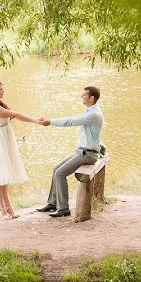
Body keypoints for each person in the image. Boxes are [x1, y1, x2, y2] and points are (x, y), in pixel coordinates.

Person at [35, 86, 104, 218]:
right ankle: (53, 203)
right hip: (82, 152)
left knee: (61, 173)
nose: (81, 96)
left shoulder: (93, 114)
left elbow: (70, 121)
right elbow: (72, 118)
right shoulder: (90, 111)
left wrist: (50, 122)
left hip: (88, 154)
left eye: (84, 94)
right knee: (56, 169)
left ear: (91, 98)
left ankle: (64, 209)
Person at [0, 80, 42, 220]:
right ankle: (1, 209)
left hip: (5, 141)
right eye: (1, 89)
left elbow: (9, 119)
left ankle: (8, 207)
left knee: (5, 174)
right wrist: (36, 120)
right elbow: (15, 115)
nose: (3, 91)